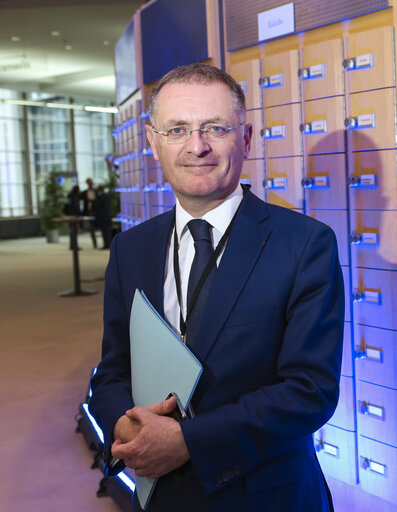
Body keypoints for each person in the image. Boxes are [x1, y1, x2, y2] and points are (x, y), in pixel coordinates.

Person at [88, 63, 344, 511]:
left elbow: (310, 390)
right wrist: (126, 428)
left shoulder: (305, 244)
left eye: (214, 128)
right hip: (161, 493)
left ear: (244, 138)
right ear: (153, 142)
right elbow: (112, 372)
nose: (197, 146)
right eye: (177, 130)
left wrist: (188, 441)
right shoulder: (131, 248)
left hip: (265, 494)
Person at [81, 177, 98, 248]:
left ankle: (106, 243)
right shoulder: (84, 193)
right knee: (92, 228)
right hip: (89, 212)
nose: (90, 184)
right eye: (89, 182)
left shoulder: (96, 191)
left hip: (97, 211)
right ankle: (95, 243)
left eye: (91, 182)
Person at [93, 184, 112, 249]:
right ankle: (108, 244)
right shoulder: (107, 196)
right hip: (108, 215)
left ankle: (106, 245)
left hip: (103, 217)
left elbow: (98, 208)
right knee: (108, 231)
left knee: (104, 232)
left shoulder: (99, 197)